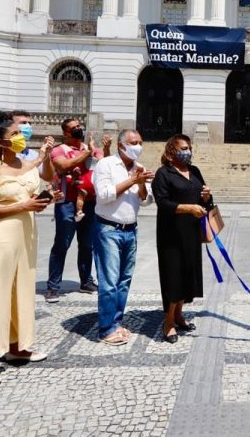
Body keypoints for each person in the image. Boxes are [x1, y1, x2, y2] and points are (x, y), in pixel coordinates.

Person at [0, 106, 54, 386]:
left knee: (21, 292)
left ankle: (18, 347)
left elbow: (31, 187)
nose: (21, 136)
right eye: (15, 133)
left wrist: (42, 200)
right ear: (0, 142)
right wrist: (23, 205)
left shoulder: (22, 163)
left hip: (26, 237)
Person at [93, 129, 154, 346]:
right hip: (108, 228)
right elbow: (104, 195)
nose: (138, 146)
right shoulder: (106, 165)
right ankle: (106, 328)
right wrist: (131, 181)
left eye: (140, 142)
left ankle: (116, 323)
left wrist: (140, 184)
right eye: (133, 142)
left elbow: (146, 201)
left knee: (124, 280)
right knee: (109, 281)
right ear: (121, 146)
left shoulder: (140, 168)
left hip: (131, 229)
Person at [152, 134, 212, 343]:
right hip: (171, 234)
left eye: (189, 148)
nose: (187, 152)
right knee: (173, 277)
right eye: (183, 148)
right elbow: (163, 203)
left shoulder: (194, 171)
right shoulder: (163, 174)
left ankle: (179, 314)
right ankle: (168, 322)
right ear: (171, 153)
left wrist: (206, 197)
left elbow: (204, 199)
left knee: (188, 275)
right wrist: (188, 208)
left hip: (192, 233)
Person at [45, 118, 110, 303]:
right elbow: (63, 166)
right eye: (74, 128)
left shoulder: (89, 147)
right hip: (67, 202)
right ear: (65, 133)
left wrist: (104, 149)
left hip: (90, 202)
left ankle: (86, 281)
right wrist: (87, 152)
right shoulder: (59, 150)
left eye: (79, 127)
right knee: (62, 244)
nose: (78, 130)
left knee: (87, 244)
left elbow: (104, 164)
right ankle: (53, 287)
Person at [0, 110, 55, 182]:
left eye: (30, 123)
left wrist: (46, 156)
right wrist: (39, 160)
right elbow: (10, 177)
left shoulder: (32, 154)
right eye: (23, 123)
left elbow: (48, 178)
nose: (28, 126)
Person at [74, 146, 105, 222]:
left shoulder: (81, 158)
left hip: (84, 181)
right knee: (98, 199)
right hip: (94, 181)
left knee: (80, 198)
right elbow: (103, 161)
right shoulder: (98, 159)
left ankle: (79, 212)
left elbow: (76, 169)